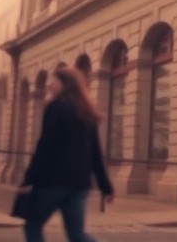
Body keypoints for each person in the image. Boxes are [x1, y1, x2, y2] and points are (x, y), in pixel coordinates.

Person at [19, 65, 115, 242]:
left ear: (65, 84)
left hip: (53, 182)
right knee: (76, 234)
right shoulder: (87, 111)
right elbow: (95, 153)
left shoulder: (55, 107)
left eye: (53, 80)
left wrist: (29, 178)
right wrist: (105, 185)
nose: (49, 85)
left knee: (32, 225)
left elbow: (45, 147)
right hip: (79, 184)